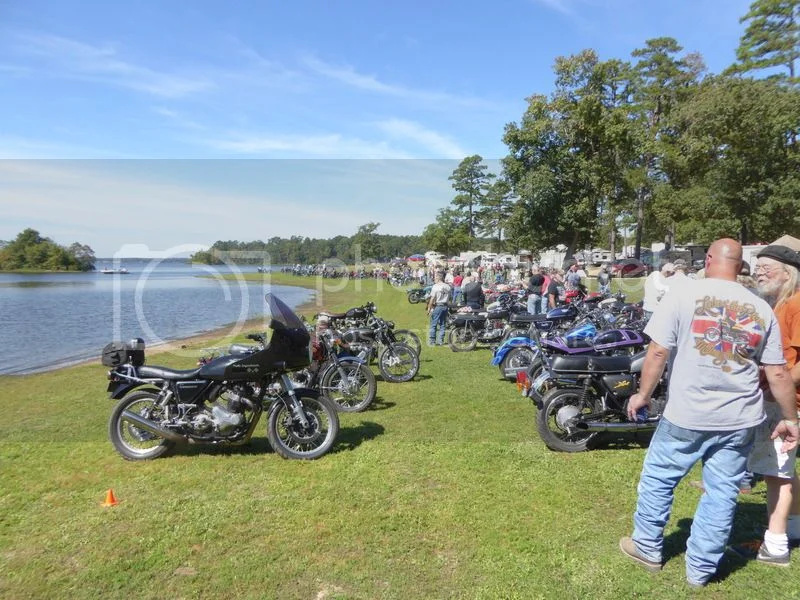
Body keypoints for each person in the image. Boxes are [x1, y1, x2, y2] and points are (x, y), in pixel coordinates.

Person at [619, 239, 799, 587]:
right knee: (722, 492)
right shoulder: (761, 308)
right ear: (740, 266)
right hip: (740, 419)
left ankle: (647, 546)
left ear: (710, 259)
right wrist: (791, 419)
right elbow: (777, 371)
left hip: (686, 415)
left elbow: (657, 352)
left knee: (659, 480)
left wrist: (642, 395)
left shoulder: (683, 294)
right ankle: (700, 570)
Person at [744, 244, 800, 564]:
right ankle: (793, 527)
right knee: (783, 470)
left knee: (776, 471)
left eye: (766, 267)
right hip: (779, 397)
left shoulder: (796, 303)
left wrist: (779, 384)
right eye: (758, 266)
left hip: (786, 402)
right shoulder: (779, 303)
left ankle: (776, 545)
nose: (759, 272)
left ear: (788, 273)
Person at [426, 272, 451, 346]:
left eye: (435, 278)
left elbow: (432, 299)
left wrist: (429, 308)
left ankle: (432, 341)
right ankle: (441, 341)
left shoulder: (435, 286)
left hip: (438, 306)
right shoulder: (448, 286)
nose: (434, 279)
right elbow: (450, 298)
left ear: (438, 278)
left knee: (433, 324)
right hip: (445, 306)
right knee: (443, 324)